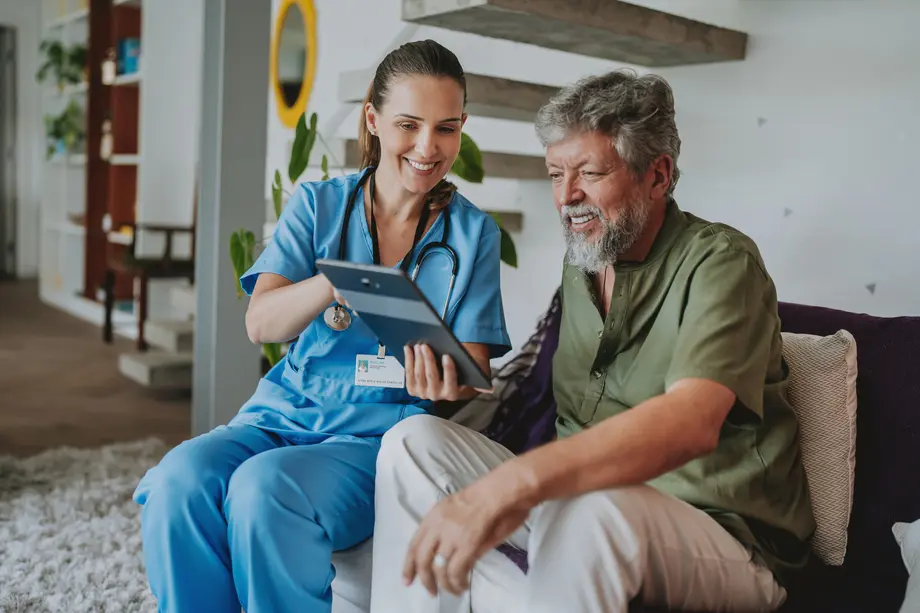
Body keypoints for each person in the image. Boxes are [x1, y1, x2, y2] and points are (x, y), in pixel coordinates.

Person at [370, 69, 817, 613]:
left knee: (591, 510)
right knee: (412, 442)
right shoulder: (582, 262)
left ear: (658, 175)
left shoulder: (721, 262)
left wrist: (517, 482)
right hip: (577, 518)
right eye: (556, 173)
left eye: (589, 172)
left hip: (719, 535)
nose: (566, 197)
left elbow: (692, 421)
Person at [132, 39, 511, 613]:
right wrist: (336, 282)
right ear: (373, 119)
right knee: (179, 481)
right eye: (409, 124)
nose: (428, 147)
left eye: (447, 128)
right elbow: (261, 322)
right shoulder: (317, 205)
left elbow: (475, 371)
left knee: (265, 490)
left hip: (375, 438)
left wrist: (447, 384)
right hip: (279, 416)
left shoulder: (472, 234)